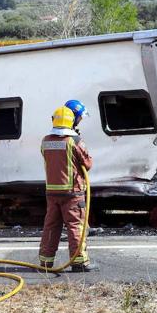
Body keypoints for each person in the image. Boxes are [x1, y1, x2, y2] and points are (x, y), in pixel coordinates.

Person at [39, 100, 96, 272]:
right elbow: (87, 163)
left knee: (51, 226)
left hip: (52, 192)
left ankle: (45, 262)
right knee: (75, 226)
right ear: (72, 121)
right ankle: (79, 262)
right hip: (72, 192)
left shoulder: (45, 140)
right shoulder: (74, 141)